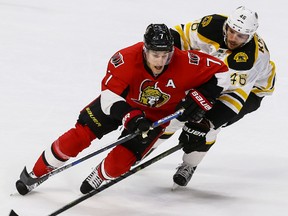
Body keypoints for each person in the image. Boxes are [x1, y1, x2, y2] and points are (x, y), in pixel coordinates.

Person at [16, 23, 231, 195]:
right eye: (156, 54)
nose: (162, 60)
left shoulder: (185, 61)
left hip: (157, 115)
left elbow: (222, 73)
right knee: (76, 138)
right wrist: (132, 117)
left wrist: (201, 97)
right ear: (145, 49)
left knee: (118, 165)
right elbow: (109, 97)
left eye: (166, 54)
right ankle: (36, 173)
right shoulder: (125, 59)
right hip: (121, 105)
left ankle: (101, 174)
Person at [169, 6, 276, 187]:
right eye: (232, 31)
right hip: (214, 76)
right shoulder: (210, 25)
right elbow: (181, 35)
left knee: (208, 126)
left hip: (249, 90)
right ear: (226, 25)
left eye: (241, 36)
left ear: (250, 36)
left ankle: (190, 164)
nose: (234, 38)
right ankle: (143, 147)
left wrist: (206, 122)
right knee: (177, 111)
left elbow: (233, 96)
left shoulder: (251, 59)